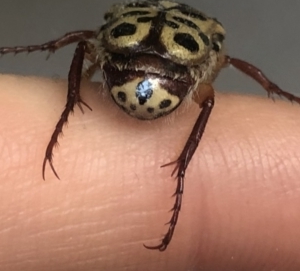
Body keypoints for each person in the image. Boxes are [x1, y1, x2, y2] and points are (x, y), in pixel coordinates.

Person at [1, 74, 300, 270]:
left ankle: (72, 107)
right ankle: (180, 169)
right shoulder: (210, 47)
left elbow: (83, 42)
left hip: (124, 78)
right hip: (168, 86)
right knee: (207, 101)